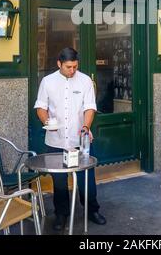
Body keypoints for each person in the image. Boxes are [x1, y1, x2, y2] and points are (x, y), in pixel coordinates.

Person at [34, 47, 106, 231]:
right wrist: (47, 121)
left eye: (75, 67)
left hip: (79, 140)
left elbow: (90, 107)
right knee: (59, 181)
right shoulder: (47, 81)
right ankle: (61, 214)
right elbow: (40, 107)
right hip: (55, 140)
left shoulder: (85, 81)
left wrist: (86, 127)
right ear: (59, 64)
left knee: (86, 178)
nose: (72, 70)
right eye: (68, 67)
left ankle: (92, 210)